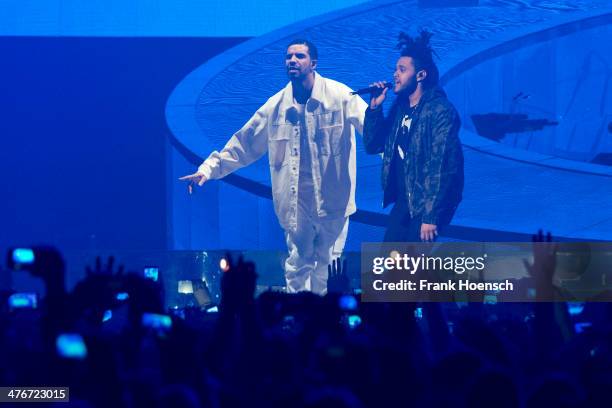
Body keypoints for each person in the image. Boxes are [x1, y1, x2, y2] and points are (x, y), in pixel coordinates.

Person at [180, 39, 367, 294]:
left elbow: (374, 130)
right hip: (295, 204)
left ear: (313, 63)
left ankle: (325, 322)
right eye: (288, 56)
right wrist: (208, 170)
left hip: (333, 201)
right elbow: (243, 144)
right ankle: (297, 321)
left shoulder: (341, 97)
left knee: (328, 267)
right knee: (298, 266)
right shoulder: (275, 107)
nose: (292, 60)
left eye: (299, 56)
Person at [363, 30, 464, 242]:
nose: (395, 75)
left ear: (420, 75)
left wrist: (431, 215)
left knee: (412, 270)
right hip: (404, 201)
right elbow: (373, 146)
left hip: (427, 205)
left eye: (402, 69)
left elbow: (443, 165)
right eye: (395, 69)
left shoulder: (440, 111)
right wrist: (374, 109)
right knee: (391, 264)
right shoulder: (399, 109)